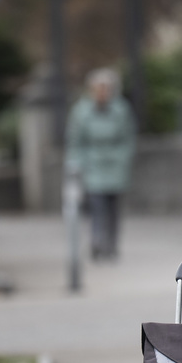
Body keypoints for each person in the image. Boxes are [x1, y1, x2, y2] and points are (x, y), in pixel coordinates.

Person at [65, 68, 136, 261]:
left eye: (106, 89)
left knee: (113, 208)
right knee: (97, 207)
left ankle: (112, 245)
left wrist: (123, 159)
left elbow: (128, 138)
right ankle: (98, 243)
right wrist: (76, 166)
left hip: (115, 165)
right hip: (93, 164)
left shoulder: (121, 109)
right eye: (98, 88)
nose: (102, 93)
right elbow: (75, 142)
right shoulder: (81, 112)